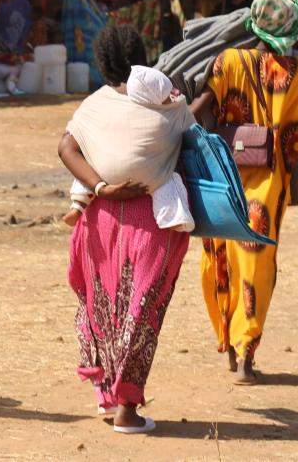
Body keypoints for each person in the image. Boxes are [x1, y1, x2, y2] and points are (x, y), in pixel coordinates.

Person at [58, 24, 195, 433]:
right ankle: (127, 410)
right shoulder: (167, 107)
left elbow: (66, 147)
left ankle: (109, 392)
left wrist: (101, 187)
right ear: (142, 59)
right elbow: (196, 133)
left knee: (103, 309)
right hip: (152, 221)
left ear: (103, 64)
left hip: (98, 221)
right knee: (140, 314)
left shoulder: (92, 105)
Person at [190, 0, 298, 384]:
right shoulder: (293, 71)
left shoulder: (227, 62)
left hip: (223, 181)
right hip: (266, 185)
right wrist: (287, 179)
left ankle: (227, 341)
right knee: (256, 269)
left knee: (220, 258)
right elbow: (295, 134)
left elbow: (200, 108)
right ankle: (246, 354)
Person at [63, 65, 193, 235]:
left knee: (89, 160)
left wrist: (100, 186)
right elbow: (192, 130)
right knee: (169, 181)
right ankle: (173, 217)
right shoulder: (168, 115)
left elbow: (66, 147)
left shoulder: (105, 105)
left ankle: (77, 206)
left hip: (104, 177)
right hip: (147, 180)